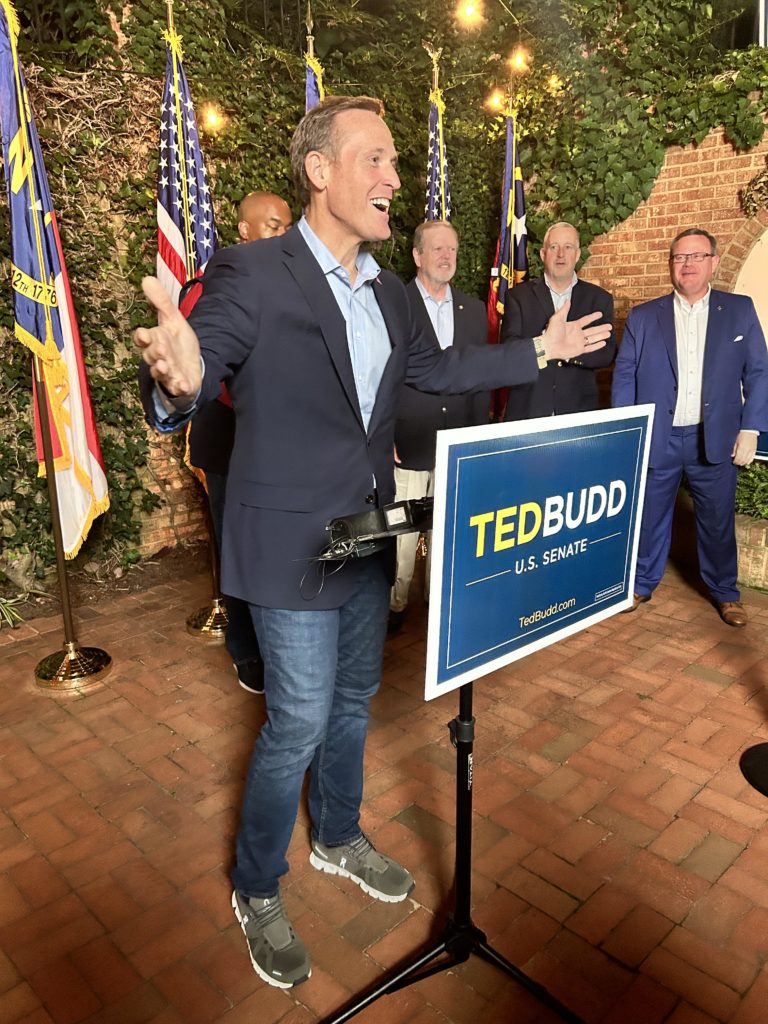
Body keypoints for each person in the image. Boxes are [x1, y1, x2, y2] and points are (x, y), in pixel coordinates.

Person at [135, 95, 610, 990]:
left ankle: (341, 835)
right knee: (299, 718)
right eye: (377, 160)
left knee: (355, 693)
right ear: (319, 171)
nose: (395, 178)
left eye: (396, 162)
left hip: (365, 532)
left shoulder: (390, 291)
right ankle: (255, 885)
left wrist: (538, 351)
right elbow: (204, 358)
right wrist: (182, 377)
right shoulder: (252, 270)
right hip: (286, 546)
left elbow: (435, 369)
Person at [612, 227, 768, 627]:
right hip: (658, 437)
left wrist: (750, 428)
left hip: (713, 438)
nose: (688, 265)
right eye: (680, 257)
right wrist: (629, 433)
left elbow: (759, 373)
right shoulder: (645, 317)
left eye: (697, 256)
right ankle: (641, 583)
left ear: (713, 262)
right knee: (648, 515)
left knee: (717, 522)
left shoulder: (739, 310)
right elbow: (625, 375)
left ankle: (725, 592)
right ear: (671, 265)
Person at [389, 220, 488, 632]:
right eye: (437, 249)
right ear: (417, 256)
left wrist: (478, 434)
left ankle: (436, 602)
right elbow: (380, 375)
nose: (447, 257)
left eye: (452, 249)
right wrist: (384, 434)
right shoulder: (395, 304)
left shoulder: (474, 308)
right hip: (408, 439)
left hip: (458, 438)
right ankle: (395, 604)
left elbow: (480, 374)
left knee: (447, 526)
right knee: (402, 533)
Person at [501, 221, 616, 420]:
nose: (561, 254)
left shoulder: (599, 299)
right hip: (528, 409)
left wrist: (570, 352)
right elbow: (509, 351)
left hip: (578, 410)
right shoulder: (517, 297)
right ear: (543, 254)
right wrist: (546, 346)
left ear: (577, 255)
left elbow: (606, 354)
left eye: (568, 247)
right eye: (554, 247)